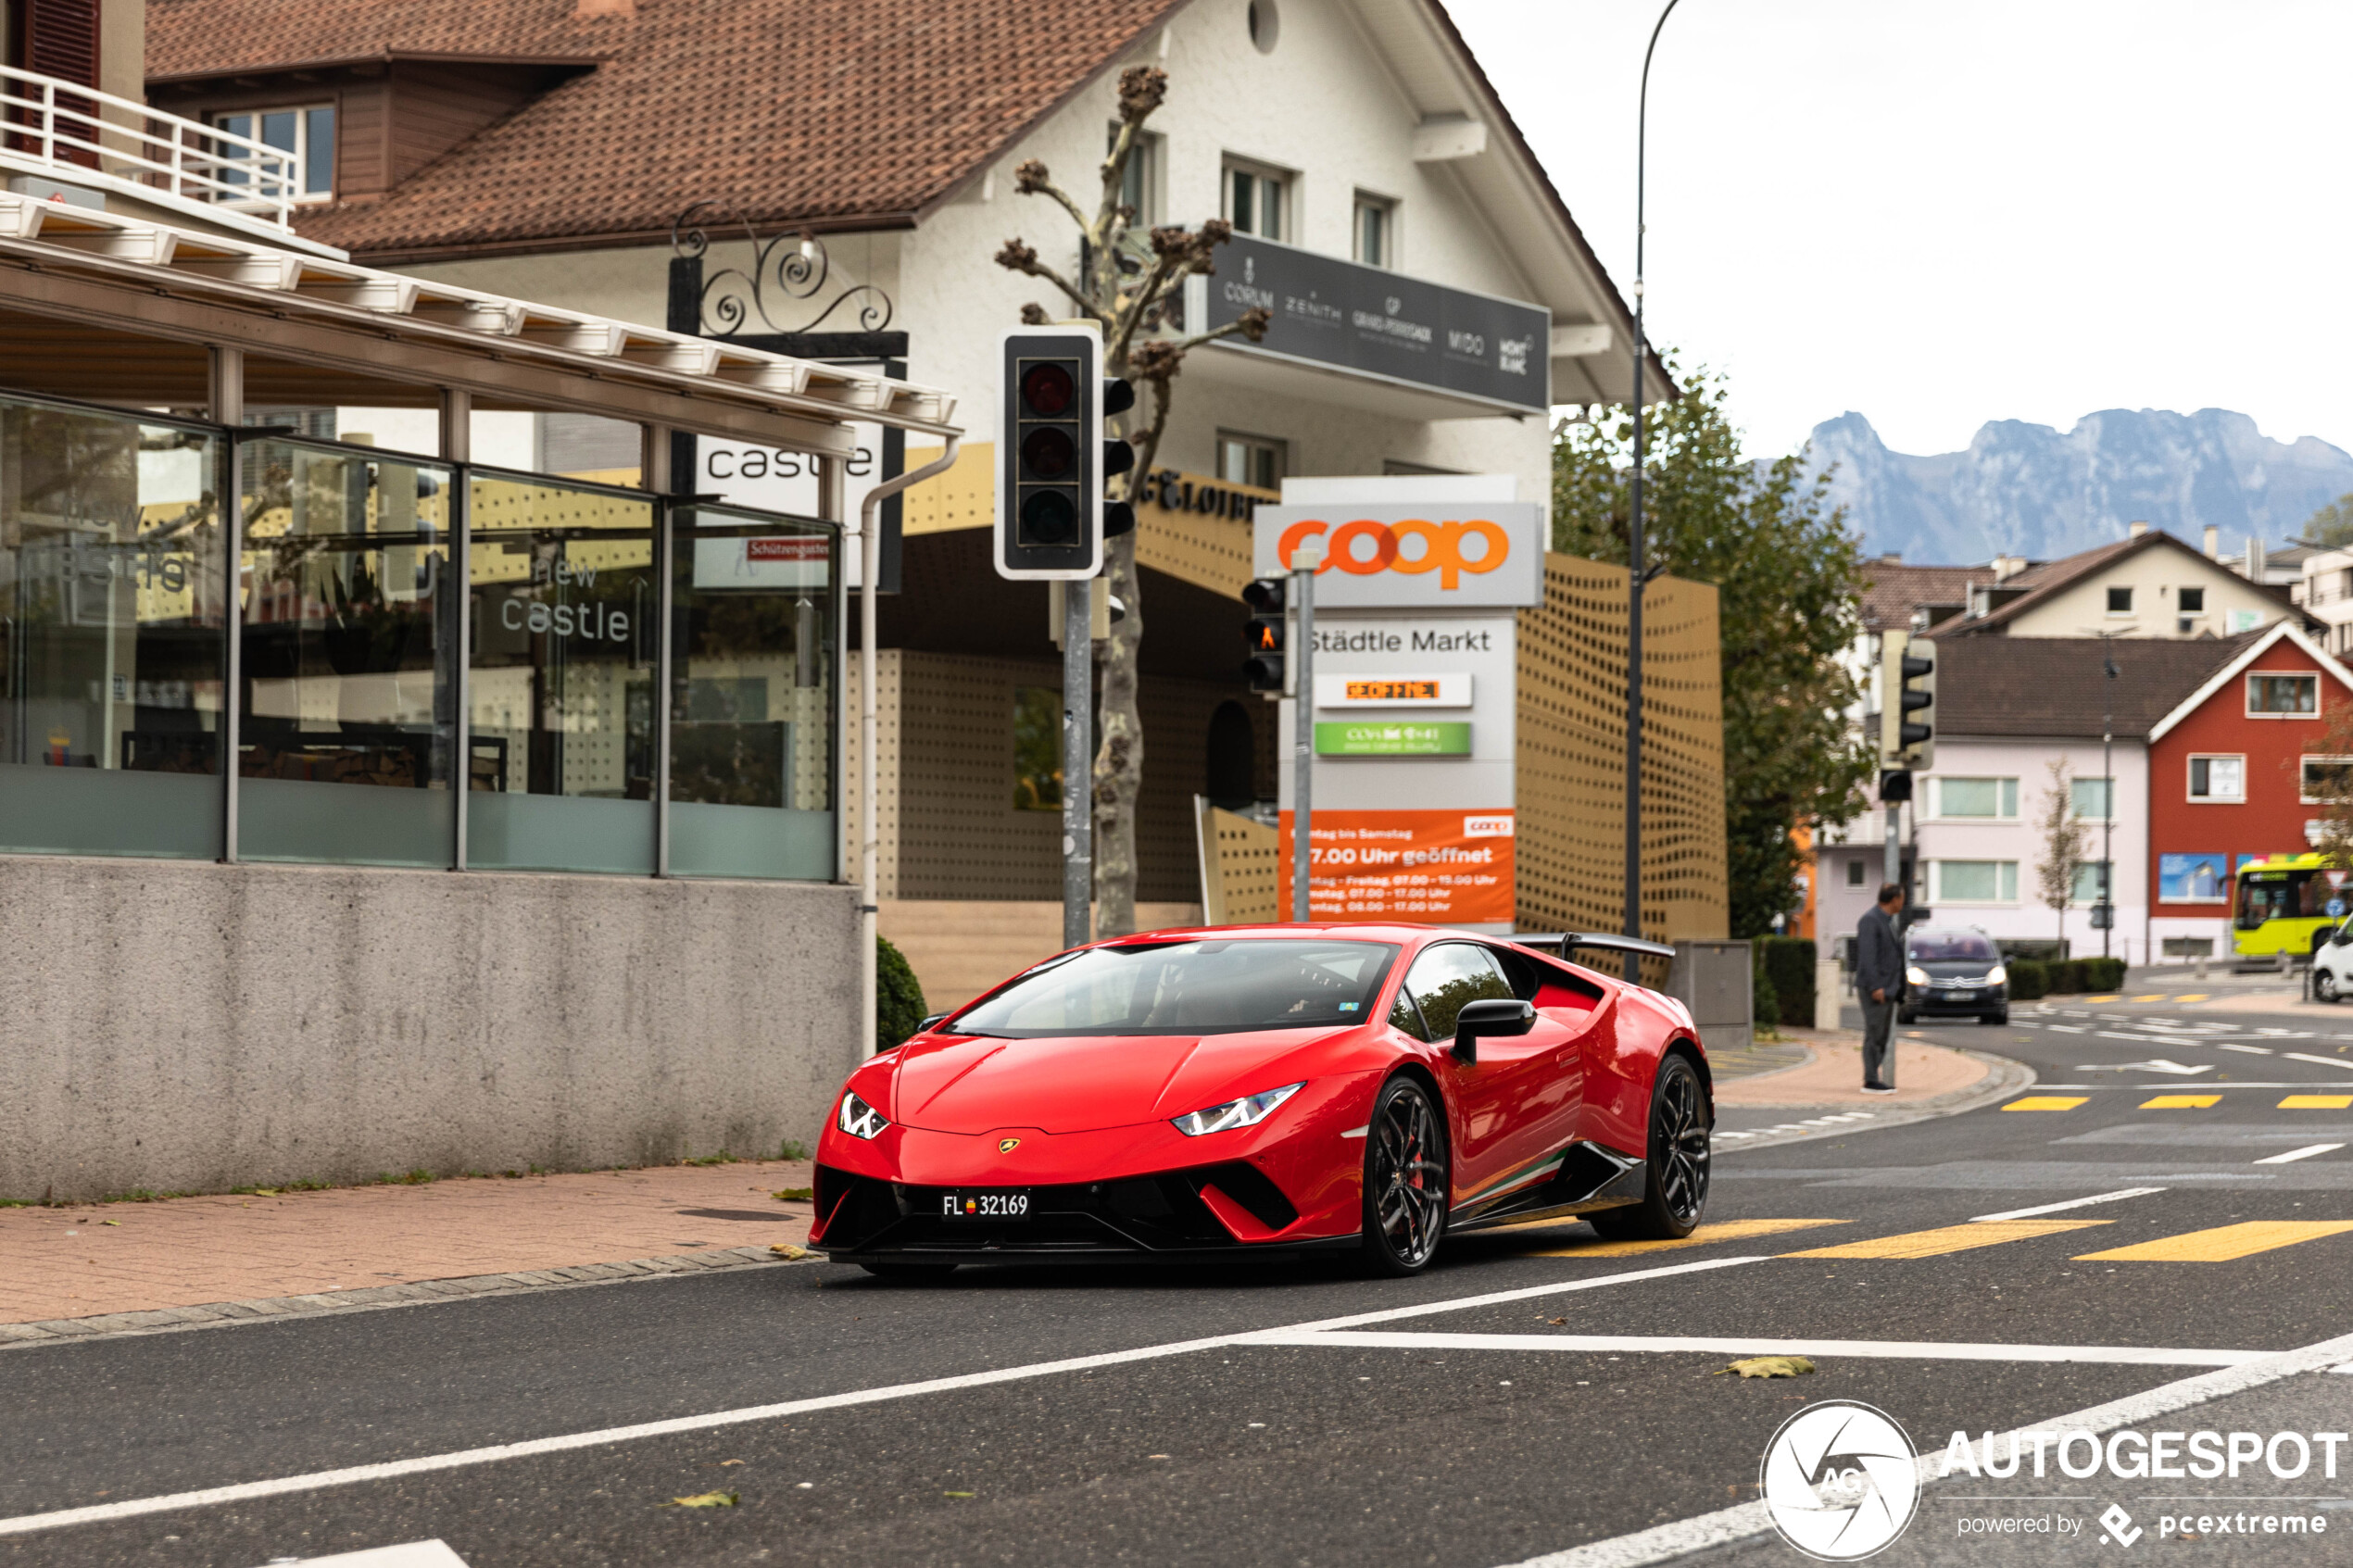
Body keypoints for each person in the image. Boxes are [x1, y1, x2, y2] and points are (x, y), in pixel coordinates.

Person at [1855, 883, 1906, 1094]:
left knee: (1882, 1035)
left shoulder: (1886, 921)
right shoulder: (1870, 920)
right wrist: (1876, 986)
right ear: (1894, 899)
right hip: (1876, 989)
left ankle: (1874, 1076)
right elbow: (1868, 957)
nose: (1903, 902)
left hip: (1888, 989)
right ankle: (1871, 1080)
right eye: (1902, 898)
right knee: (1874, 1034)